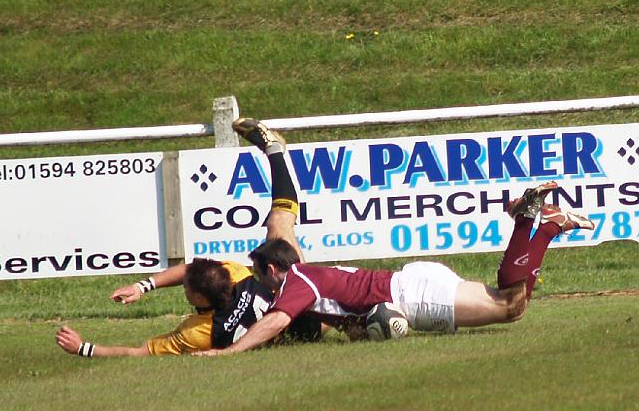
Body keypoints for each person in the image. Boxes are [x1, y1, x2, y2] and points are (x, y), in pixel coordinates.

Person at [188, 120, 595, 357]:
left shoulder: (297, 282)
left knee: (511, 305)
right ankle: (548, 225)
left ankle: (531, 222)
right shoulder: (302, 273)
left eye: (261, 276)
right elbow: (280, 230)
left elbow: (277, 318)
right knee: (514, 302)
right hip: (409, 290)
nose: (258, 282)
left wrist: (228, 353)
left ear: (274, 270)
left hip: (413, 294)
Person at [56, 118, 314, 357]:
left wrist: (83, 348)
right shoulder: (236, 275)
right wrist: (142, 287)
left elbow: (138, 352)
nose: (183, 286)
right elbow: (193, 271)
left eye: (186, 287)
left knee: (278, 227)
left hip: (307, 327)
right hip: (312, 313)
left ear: (200, 298)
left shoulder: (198, 333)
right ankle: (274, 151)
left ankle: (274, 149)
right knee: (279, 225)